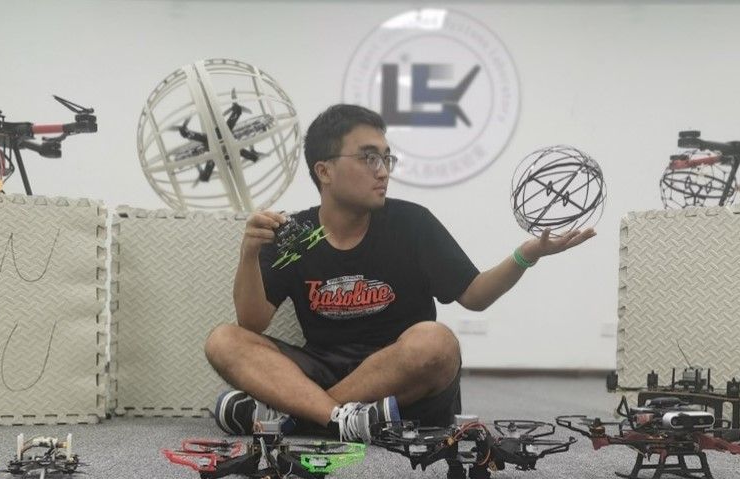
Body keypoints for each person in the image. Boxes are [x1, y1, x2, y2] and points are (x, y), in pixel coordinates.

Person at [205, 104, 595, 443]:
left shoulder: (412, 224)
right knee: (223, 340)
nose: (383, 172)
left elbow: (475, 296)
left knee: (437, 343)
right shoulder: (297, 236)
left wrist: (526, 256)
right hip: (324, 367)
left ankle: (302, 413)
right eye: (368, 158)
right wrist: (249, 253)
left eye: (386, 159)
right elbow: (251, 323)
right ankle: (339, 419)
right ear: (324, 171)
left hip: (398, 377)